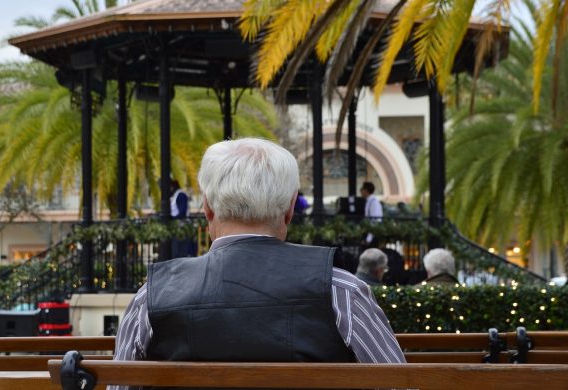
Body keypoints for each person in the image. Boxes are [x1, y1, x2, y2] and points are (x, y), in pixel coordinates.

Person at [114, 138, 405, 383]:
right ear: (290, 208)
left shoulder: (150, 297)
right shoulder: (341, 290)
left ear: (207, 209)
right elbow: (401, 385)